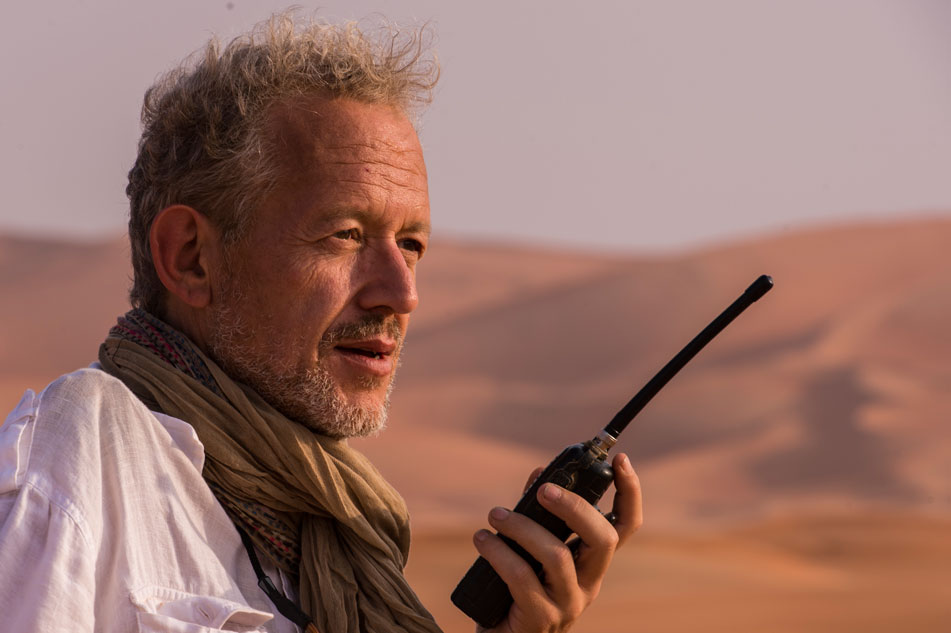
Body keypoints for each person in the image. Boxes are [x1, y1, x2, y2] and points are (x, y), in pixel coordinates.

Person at [0, 12, 642, 633]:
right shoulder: (77, 463)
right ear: (191, 258)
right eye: (345, 235)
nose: (402, 293)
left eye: (412, 244)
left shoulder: (334, 532)